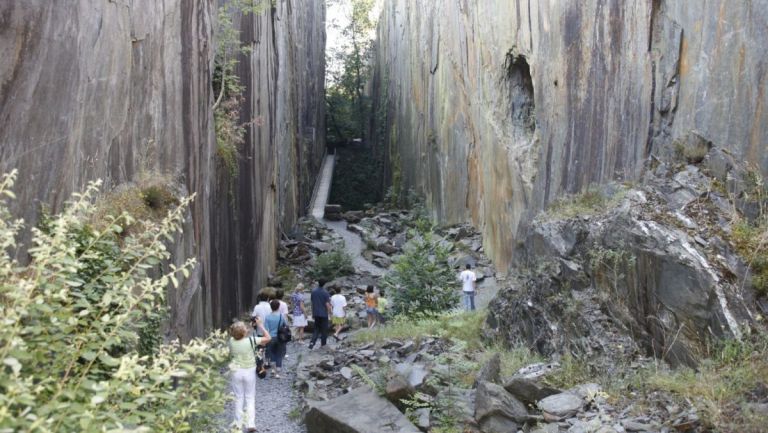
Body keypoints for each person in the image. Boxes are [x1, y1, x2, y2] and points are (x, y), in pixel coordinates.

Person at [228, 318, 270, 432]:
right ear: (243, 332)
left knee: (238, 397)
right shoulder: (251, 340)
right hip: (249, 371)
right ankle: (250, 424)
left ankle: (238, 423)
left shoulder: (231, 341)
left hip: (236, 371)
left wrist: (245, 329)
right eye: (245, 328)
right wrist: (260, 325)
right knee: (250, 397)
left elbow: (237, 334)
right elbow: (268, 338)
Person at [264, 300, 288, 378]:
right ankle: (278, 373)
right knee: (279, 354)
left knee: (272, 354)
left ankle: (273, 370)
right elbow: (285, 325)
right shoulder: (281, 316)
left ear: (271, 307)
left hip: (270, 337)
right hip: (280, 338)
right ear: (278, 307)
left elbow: (266, 329)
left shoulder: (267, 317)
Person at [309, 278, 332, 349]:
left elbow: (312, 303)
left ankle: (312, 342)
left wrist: (313, 313)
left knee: (316, 328)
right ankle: (323, 344)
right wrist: (330, 313)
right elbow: (327, 304)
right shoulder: (325, 292)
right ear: (324, 284)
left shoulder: (313, 291)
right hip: (323, 314)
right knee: (324, 329)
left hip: (316, 313)